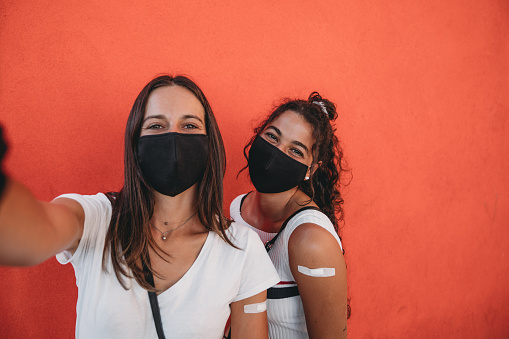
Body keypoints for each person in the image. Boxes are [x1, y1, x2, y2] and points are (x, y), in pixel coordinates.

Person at [0, 75, 279, 339]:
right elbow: (30, 234)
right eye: (156, 126)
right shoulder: (96, 219)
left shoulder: (240, 249)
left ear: (210, 144)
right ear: (136, 143)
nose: (173, 138)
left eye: (189, 126)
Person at [230, 92, 349, 338]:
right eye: (272, 137)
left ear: (310, 170)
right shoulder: (236, 210)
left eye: (295, 151)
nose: (276, 153)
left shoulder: (310, 239)